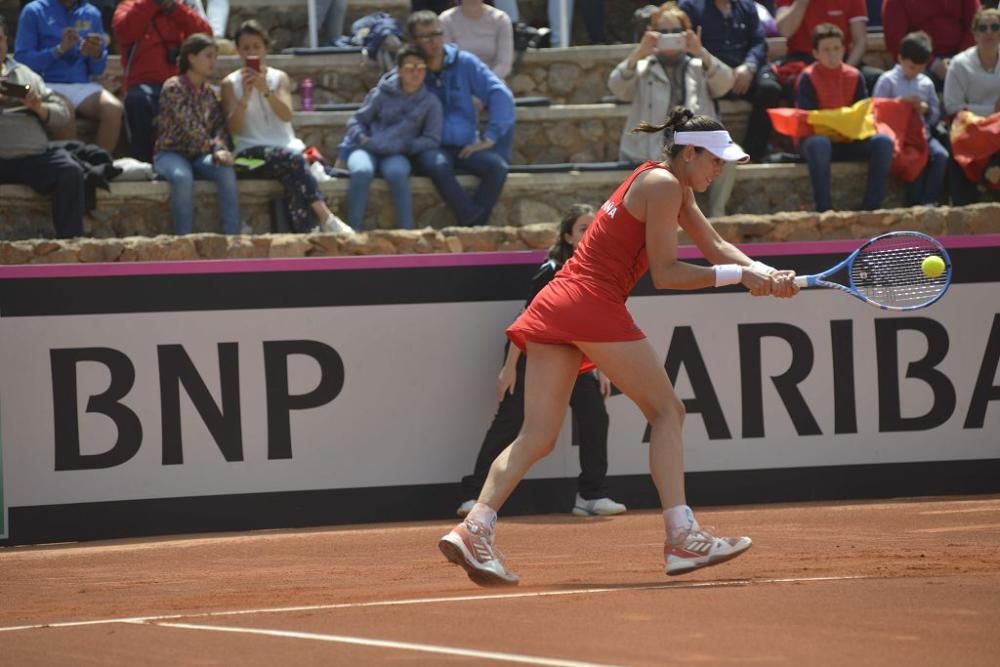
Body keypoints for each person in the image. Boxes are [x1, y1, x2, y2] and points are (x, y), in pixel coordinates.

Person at [438, 107, 799, 586]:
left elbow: (714, 247)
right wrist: (740, 276)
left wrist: (764, 272)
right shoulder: (666, 186)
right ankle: (682, 537)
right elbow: (668, 274)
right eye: (715, 159)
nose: (720, 168)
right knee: (668, 411)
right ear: (689, 152)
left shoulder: (664, 181)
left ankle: (475, 527)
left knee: (537, 436)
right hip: (590, 302)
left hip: (559, 301)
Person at [457, 204, 628, 519]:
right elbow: (526, 319)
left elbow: (597, 322)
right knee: (511, 420)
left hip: (574, 359)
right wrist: (509, 369)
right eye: (582, 228)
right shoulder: (551, 270)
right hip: (532, 355)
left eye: (594, 227)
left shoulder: (599, 271)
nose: (590, 233)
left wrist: (602, 366)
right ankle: (475, 494)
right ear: (567, 236)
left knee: (595, 416)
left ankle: (591, 495)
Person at [609, 3, 738, 218]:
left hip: (695, 143)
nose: (669, 36)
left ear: (687, 33)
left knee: (730, 157)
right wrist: (638, 53)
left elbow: (725, 83)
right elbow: (617, 88)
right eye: (663, 32)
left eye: (676, 31)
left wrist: (701, 52)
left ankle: (717, 214)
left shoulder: (698, 64)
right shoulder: (643, 66)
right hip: (651, 147)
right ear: (652, 34)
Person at [221, 20, 350, 234]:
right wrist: (244, 97)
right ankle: (325, 217)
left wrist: (265, 90)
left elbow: (286, 114)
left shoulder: (278, 78)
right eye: (246, 48)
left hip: (287, 151)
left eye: (256, 47)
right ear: (238, 51)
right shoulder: (230, 83)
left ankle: (307, 232)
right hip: (249, 154)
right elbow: (233, 128)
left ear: (265, 48)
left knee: (292, 175)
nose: (251, 53)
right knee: (294, 162)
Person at [408, 11, 514, 227]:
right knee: (437, 165)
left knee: (497, 167)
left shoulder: (464, 62)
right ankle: (475, 224)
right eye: (426, 37)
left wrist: (491, 137)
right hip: (430, 146)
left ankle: (471, 222)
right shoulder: (410, 68)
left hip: (465, 145)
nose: (434, 41)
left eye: (437, 34)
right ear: (414, 41)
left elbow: (500, 95)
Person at [335, 46, 442, 230]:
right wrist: (363, 140)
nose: (416, 73)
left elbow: (432, 138)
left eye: (420, 68)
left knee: (398, 173)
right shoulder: (380, 94)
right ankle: (353, 230)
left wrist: (407, 145)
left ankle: (406, 231)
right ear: (400, 70)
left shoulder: (431, 103)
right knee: (361, 171)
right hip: (367, 148)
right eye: (410, 68)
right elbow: (356, 121)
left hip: (398, 152)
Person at [0, 14, 84, 238]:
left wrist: (39, 108)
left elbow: (62, 114)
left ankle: (71, 242)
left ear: (6, 41)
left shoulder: (26, 74)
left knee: (70, 171)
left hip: (32, 157)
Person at [796, 23, 893, 212]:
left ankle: (871, 208)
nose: (832, 54)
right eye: (826, 50)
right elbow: (810, 119)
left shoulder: (855, 76)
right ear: (815, 53)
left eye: (836, 48)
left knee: (883, 142)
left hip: (849, 139)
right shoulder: (807, 77)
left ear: (844, 49)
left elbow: (862, 115)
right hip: (819, 143)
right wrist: (841, 119)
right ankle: (825, 210)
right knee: (818, 143)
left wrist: (839, 121)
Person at [153, 33, 240, 235]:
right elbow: (189, 127)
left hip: (201, 155)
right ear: (191, 57)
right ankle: (185, 241)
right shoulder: (173, 87)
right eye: (208, 56)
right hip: (171, 153)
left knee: (226, 171)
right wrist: (214, 148)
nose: (213, 62)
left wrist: (219, 148)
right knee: (182, 177)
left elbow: (219, 126)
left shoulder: (210, 92)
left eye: (214, 57)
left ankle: (234, 238)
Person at [679, 0, 784, 162]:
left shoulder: (747, 6)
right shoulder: (690, 6)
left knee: (770, 89)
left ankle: (753, 155)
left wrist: (749, 66)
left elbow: (758, 42)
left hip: (744, 73)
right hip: (710, 73)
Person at [14, 0, 122, 152]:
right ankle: (76, 166)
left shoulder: (91, 13)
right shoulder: (33, 11)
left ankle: (100, 164)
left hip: (81, 83)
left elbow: (97, 70)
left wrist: (96, 54)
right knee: (65, 110)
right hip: (46, 83)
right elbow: (22, 60)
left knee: (113, 109)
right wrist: (58, 50)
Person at [112, 0, 212, 163]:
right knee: (138, 101)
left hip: (179, 84)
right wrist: (152, 3)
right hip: (143, 85)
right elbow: (125, 32)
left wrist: (173, 8)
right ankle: (143, 162)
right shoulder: (128, 6)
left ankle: (195, 160)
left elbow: (205, 37)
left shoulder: (181, 6)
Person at [873, 31, 948, 206]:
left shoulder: (926, 83)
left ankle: (929, 201)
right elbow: (876, 110)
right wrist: (899, 105)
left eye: (921, 68)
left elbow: (935, 114)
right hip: (900, 138)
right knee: (915, 160)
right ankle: (913, 205)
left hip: (923, 135)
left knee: (941, 156)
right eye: (912, 67)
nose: (916, 72)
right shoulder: (887, 81)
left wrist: (925, 110)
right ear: (900, 58)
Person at [943, 6, 1000, 204]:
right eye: (983, 28)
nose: (989, 32)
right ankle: (988, 172)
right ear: (974, 34)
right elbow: (952, 106)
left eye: (995, 27)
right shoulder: (960, 64)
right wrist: (992, 111)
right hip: (969, 127)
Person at [775, 0, 883, 95]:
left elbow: (860, 41)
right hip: (803, 59)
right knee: (796, 83)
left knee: (876, 78)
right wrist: (801, 2)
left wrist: (844, 71)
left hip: (840, 58)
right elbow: (785, 31)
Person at [882, 0, 980, 90]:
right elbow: (895, 41)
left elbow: (975, 24)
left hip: (962, 58)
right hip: (920, 63)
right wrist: (933, 64)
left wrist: (959, 61)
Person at [440, 0, 514, 79]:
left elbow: (504, 64)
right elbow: (446, 61)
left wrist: (485, 82)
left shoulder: (501, 19)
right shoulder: (446, 20)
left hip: (493, 81)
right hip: (458, 82)